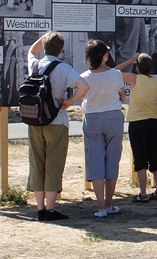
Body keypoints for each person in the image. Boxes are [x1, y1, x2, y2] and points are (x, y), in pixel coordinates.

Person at [63, 40, 127, 218]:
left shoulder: (84, 76)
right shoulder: (116, 74)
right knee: (112, 160)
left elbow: (80, 96)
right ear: (105, 55)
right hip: (113, 117)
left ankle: (100, 208)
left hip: (92, 118)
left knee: (95, 161)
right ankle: (109, 204)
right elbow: (122, 95)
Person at [26, 31, 80, 221]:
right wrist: (69, 101)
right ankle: (50, 208)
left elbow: (32, 51)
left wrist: (45, 36)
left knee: (37, 163)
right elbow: (84, 85)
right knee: (54, 164)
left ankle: (40, 208)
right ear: (61, 50)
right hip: (57, 120)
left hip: (34, 120)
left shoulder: (34, 64)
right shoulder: (64, 68)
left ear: (45, 46)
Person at [123, 53, 157, 202]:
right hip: (154, 121)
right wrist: (152, 106)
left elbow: (113, 72)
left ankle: (143, 193)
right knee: (156, 155)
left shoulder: (134, 78)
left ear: (137, 67)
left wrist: (129, 60)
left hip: (137, 122)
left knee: (140, 158)